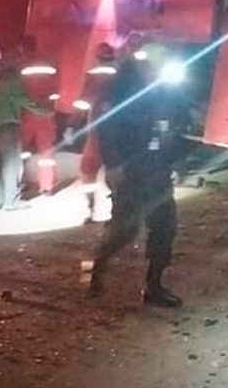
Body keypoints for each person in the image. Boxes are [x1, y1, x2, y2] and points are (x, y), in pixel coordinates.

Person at [87, 41, 189, 308]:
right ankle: (96, 268)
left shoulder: (163, 89)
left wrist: (176, 160)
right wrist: (114, 165)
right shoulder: (122, 87)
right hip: (132, 171)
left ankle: (153, 287)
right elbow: (107, 128)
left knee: (165, 228)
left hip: (158, 169)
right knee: (125, 231)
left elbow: (173, 125)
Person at [0, 43, 48, 211]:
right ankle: (11, 200)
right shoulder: (11, 79)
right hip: (7, 125)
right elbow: (23, 100)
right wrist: (43, 111)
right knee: (11, 164)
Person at [75, 42, 117, 222]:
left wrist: (73, 123)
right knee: (115, 168)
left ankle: (91, 210)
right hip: (117, 128)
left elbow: (83, 102)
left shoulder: (92, 76)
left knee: (88, 170)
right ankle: (117, 210)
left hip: (96, 128)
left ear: (97, 57)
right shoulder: (122, 74)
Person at [17, 35, 61, 196]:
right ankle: (47, 186)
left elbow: (16, 90)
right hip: (46, 113)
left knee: (21, 151)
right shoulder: (49, 63)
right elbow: (56, 90)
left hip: (26, 113)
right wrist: (50, 106)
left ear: (22, 48)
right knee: (46, 152)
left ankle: (21, 184)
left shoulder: (20, 66)